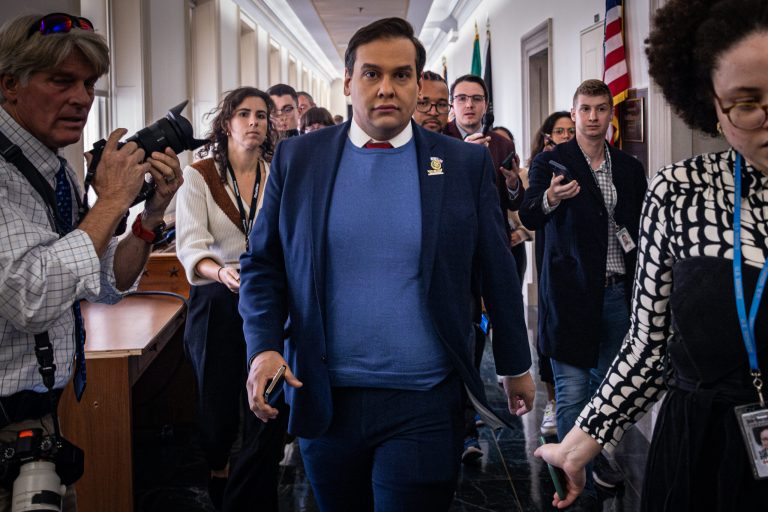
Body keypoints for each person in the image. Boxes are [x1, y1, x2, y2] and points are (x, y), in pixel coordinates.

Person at [239, 17, 535, 511]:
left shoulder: (459, 164)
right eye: (372, 74)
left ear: (419, 85)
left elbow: (494, 266)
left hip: (424, 397)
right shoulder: (300, 159)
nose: (386, 89)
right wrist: (263, 347)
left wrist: (513, 362)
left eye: (401, 75)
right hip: (325, 394)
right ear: (348, 81)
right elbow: (263, 264)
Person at [535, 1, 768, 510]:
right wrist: (579, 446)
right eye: (747, 103)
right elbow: (651, 347)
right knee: (578, 379)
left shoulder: (629, 168)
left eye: (603, 109)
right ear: (711, 104)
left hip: (618, 285)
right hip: (702, 445)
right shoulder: (682, 191)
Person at [0, 12, 182, 510]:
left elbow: (105, 284)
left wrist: (150, 215)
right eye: (62, 81)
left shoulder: (56, 170)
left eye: (89, 84)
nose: (81, 99)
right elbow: (30, 298)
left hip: (44, 418)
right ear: (9, 85)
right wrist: (108, 204)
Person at [519, 79, 647, 509]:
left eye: (601, 109)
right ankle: (582, 487)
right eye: (585, 109)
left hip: (617, 295)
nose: (593, 117)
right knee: (573, 392)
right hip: (572, 298)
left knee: (608, 390)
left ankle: (597, 458)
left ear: (611, 115)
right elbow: (529, 214)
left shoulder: (628, 167)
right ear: (572, 115)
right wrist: (552, 198)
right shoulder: (552, 163)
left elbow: (642, 228)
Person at [175, 87, 283, 511]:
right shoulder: (198, 175)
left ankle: (256, 484)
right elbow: (190, 244)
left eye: (261, 115)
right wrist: (221, 271)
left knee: (266, 399)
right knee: (216, 400)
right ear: (226, 123)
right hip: (216, 299)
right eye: (244, 114)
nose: (254, 122)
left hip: (266, 298)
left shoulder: (277, 173)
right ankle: (218, 467)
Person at [525, 111, 575, 437]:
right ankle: (554, 403)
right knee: (550, 331)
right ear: (548, 136)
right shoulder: (544, 165)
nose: (567, 135)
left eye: (571, 130)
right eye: (561, 131)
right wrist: (551, 195)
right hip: (551, 258)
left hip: (584, 262)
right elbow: (529, 212)